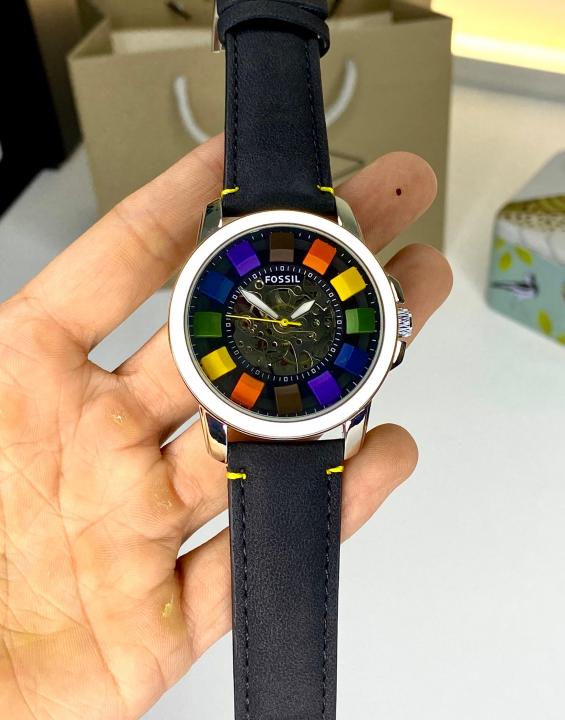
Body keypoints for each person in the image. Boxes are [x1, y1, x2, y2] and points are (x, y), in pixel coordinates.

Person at [0, 135, 452, 718]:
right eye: (267, 317)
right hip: (272, 414)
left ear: (393, 326)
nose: (284, 324)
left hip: (308, 415)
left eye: (296, 318)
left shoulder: (272, 254)